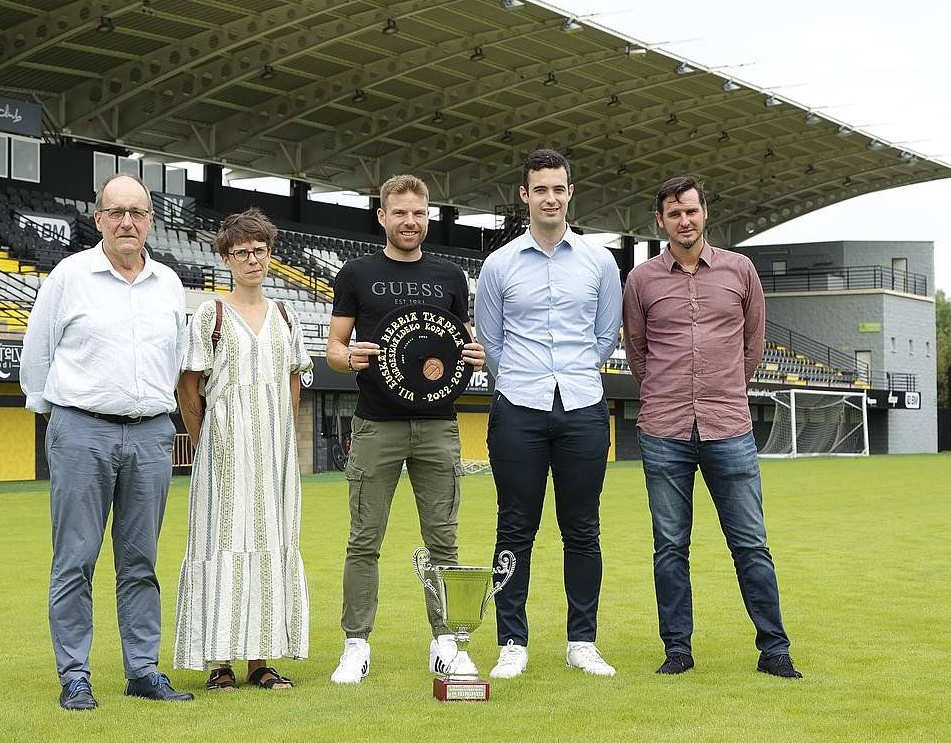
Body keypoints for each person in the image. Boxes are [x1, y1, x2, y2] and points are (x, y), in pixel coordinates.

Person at [20, 173, 194, 710]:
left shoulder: (169, 282)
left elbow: (179, 360)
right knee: (75, 559)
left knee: (140, 560)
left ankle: (143, 670)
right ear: (98, 219)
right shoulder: (69, 276)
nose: (127, 222)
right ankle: (75, 675)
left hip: (150, 434)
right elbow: (37, 355)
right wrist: (59, 420)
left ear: (150, 222)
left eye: (137, 213)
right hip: (81, 429)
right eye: (116, 212)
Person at [621, 175, 801, 679]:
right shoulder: (641, 281)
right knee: (670, 547)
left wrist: (722, 391)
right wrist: (665, 392)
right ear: (660, 221)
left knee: (750, 544)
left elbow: (753, 345)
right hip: (663, 430)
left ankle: (775, 649)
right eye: (674, 214)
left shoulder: (740, 271)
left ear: (705, 214)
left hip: (729, 427)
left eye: (691, 211)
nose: (684, 221)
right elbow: (638, 352)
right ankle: (677, 649)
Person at [326, 174, 486, 685]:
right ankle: (356, 645)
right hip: (377, 426)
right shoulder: (356, 273)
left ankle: (447, 643)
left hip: (438, 426)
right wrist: (349, 359)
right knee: (363, 541)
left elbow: (461, 344)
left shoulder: (450, 277)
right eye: (400, 213)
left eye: (418, 213)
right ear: (382, 216)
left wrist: (476, 354)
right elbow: (334, 348)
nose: (410, 222)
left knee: (445, 542)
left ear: (428, 216)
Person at [474, 148, 622, 680]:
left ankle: (582, 641)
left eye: (559, 188)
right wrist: (523, 378)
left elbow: (606, 336)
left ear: (570, 193)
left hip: (583, 405)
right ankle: (512, 641)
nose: (551, 198)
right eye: (541, 189)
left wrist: (576, 372)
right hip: (519, 406)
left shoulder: (601, 262)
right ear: (525, 196)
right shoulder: (499, 264)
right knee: (514, 527)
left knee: (583, 529)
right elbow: (491, 341)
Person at [173, 208, 313, 691]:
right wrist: (204, 439)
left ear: (269, 254)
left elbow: (294, 381)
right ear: (226, 258)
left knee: (272, 545)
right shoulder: (209, 314)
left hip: (274, 457)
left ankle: (261, 661)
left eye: (259, 250)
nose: (252, 259)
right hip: (224, 452)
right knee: (220, 544)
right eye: (241, 252)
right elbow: (188, 386)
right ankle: (219, 663)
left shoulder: (288, 315)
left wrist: (282, 438)